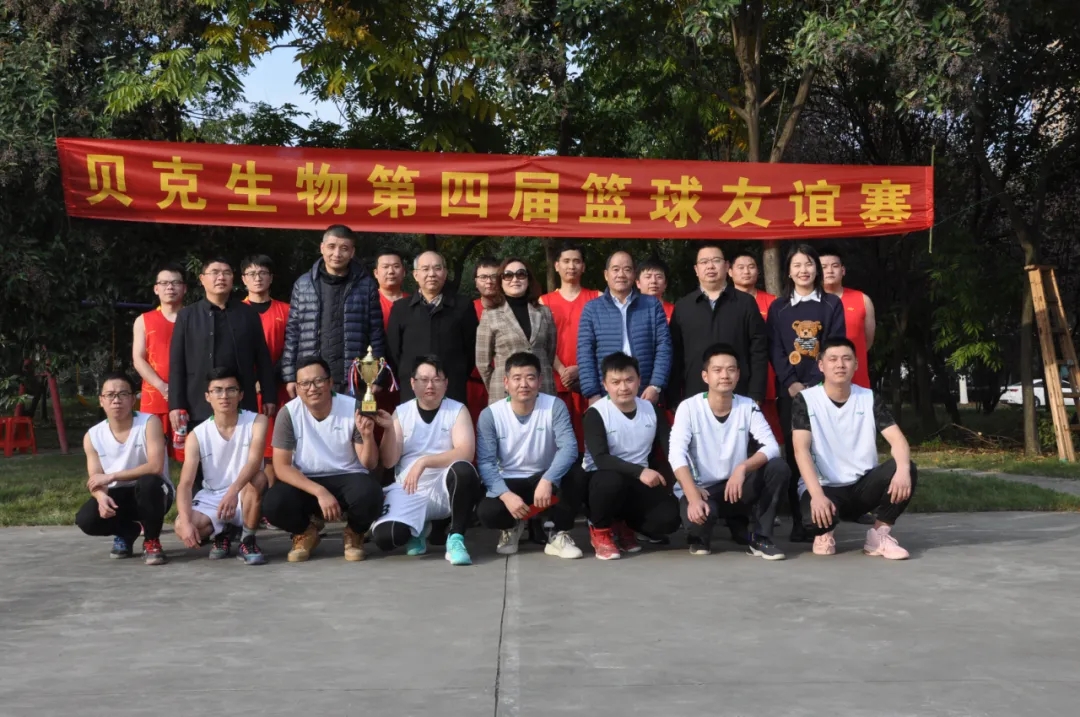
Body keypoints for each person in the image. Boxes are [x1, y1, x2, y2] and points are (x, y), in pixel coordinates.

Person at [792, 338, 917, 559]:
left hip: (862, 486)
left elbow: (898, 440)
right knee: (814, 521)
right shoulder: (805, 400)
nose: (840, 365)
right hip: (825, 486)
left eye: (846, 359)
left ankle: (879, 535)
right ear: (821, 365)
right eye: (832, 359)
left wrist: (903, 470)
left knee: (906, 468)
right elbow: (800, 450)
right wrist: (817, 496)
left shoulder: (869, 398)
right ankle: (824, 533)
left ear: (856, 364)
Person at [669, 344, 788, 559]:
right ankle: (700, 535)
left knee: (778, 467)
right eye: (717, 370)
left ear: (738, 374)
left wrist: (742, 467)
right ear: (705, 376)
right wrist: (693, 495)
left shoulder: (748, 406)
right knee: (699, 527)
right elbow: (676, 454)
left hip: (736, 487)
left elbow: (771, 447)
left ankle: (761, 538)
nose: (725, 375)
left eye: (731, 369)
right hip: (703, 489)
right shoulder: (689, 407)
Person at [262, 356, 383, 562]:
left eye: (318, 381)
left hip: (347, 475)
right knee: (273, 503)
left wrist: (368, 436)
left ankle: (354, 533)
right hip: (307, 480)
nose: (312, 388)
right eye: (305, 383)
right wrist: (320, 491)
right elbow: (281, 467)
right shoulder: (288, 413)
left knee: (371, 494)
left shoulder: (353, 407)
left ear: (330, 382)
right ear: (297, 388)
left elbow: (369, 463)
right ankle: (306, 532)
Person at [766, 243, 846, 542]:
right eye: (797, 265)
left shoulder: (831, 304)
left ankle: (826, 517)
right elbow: (776, 349)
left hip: (823, 389)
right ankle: (800, 521)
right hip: (790, 392)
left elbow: (834, 346)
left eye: (809, 264)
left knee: (824, 450)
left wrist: (816, 383)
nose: (804, 270)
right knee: (794, 453)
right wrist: (791, 383)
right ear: (788, 271)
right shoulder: (779, 308)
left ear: (817, 269)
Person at [371, 355, 483, 566]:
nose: (430, 385)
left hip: (444, 487)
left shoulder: (457, 410)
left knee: (464, 470)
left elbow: (466, 452)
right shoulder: (402, 412)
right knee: (387, 538)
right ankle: (418, 528)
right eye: (423, 379)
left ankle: (456, 538)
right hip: (410, 488)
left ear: (446, 383)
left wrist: (424, 462)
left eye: (436, 379)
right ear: (413, 383)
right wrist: (388, 430)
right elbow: (388, 461)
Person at [476, 352, 584, 559]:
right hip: (510, 480)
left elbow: (569, 447)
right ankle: (512, 526)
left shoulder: (554, 406)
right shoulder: (491, 415)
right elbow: (486, 463)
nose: (523, 384)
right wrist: (505, 495)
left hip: (544, 479)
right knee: (488, 512)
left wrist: (548, 479)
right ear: (506, 382)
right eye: (517, 378)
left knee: (577, 474)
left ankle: (558, 533)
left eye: (530, 377)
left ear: (540, 381)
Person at [581, 352, 680, 560]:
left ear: (639, 381)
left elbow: (672, 449)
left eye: (629, 380)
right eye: (615, 382)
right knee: (611, 481)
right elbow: (600, 458)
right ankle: (600, 530)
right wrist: (640, 471)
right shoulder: (596, 413)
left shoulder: (652, 410)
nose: (623, 387)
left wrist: (690, 484)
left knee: (669, 519)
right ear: (605, 385)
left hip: (638, 480)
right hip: (602, 478)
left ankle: (623, 525)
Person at [75, 372, 174, 565]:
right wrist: (100, 497)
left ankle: (152, 540)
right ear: (101, 401)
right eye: (110, 395)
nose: (116, 400)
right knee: (86, 519)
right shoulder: (92, 436)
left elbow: (155, 467)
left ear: (133, 399)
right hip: (118, 496)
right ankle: (127, 531)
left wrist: (111, 476)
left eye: (123, 394)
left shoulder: (149, 423)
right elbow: (95, 478)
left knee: (149, 482)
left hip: (154, 493)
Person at [168, 256, 277, 431]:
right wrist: (176, 405)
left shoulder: (248, 314)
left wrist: (269, 396)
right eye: (215, 272)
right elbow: (177, 363)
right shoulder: (187, 316)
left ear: (233, 279)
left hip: (242, 402)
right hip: (198, 403)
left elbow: (262, 358)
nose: (221, 277)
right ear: (202, 279)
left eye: (226, 273)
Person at [173, 368, 269, 565]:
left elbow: (254, 462)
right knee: (182, 525)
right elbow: (185, 484)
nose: (224, 396)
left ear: (241, 395)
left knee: (259, 478)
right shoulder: (197, 435)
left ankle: (247, 540)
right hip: (213, 495)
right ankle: (223, 532)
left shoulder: (257, 421)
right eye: (217, 390)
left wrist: (233, 492)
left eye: (231, 390)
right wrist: (186, 522)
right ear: (208, 396)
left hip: (243, 491)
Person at [281, 224, 385, 396]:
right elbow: (293, 333)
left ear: (352, 252)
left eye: (344, 248)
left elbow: (376, 334)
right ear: (322, 248)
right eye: (331, 247)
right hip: (312, 380)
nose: (337, 254)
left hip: (353, 379)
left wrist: (377, 376)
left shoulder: (366, 286)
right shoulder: (304, 284)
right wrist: (290, 376)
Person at [669, 243, 768, 406]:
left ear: (727, 266)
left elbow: (759, 351)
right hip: (695, 396)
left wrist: (756, 393)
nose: (710, 266)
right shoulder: (683, 306)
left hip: (740, 395)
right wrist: (674, 398)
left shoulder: (746, 303)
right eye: (704, 262)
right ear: (696, 269)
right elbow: (675, 355)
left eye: (716, 260)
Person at [577, 250, 671, 407]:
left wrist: (656, 385)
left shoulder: (652, 305)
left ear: (634, 275)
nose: (621, 274)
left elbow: (664, 346)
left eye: (627, 269)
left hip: (645, 391)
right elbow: (585, 353)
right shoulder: (592, 309)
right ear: (606, 275)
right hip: (606, 393)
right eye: (615, 269)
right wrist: (592, 393)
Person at [387, 250, 478, 404]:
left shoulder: (463, 306)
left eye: (437, 268)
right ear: (415, 275)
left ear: (445, 273)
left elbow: (472, 348)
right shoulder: (400, 309)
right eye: (425, 269)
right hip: (412, 388)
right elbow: (393, 351)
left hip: (452, 387)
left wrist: (457, 372)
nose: (431, 274)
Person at [539, 243, 601, 448]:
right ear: (556, 266)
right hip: (555, 382)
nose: (571, 266)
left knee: (590, 441)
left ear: (583, 266)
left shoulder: (597, 298)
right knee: (557, 442)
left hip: (589, 381)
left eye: (576, 261)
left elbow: (604, 341)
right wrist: (561, 369)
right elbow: (541, 341)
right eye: (566, 261)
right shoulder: (543, 302)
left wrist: (581, 368)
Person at [477, 257, 557, 403]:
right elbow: (483, 362)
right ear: (500, 281)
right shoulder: (490, 315)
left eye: (521, 274)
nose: (515, 279)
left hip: (542, 389)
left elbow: (549, 353)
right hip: (504, 393)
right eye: (508, 275)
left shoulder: (544, 312)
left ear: (528, 279)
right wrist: (498, 385)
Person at [241, 254, 290, 483]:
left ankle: (274, 498)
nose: (257, 278)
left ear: (271, 278)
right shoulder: (235, 311)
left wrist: (268, 378)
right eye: (251, 273)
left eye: (262, 273)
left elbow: (292, 348)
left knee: (275, 449)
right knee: (247, 447)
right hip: (246, 389)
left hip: (278, 388)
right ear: (243, 279)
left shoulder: (286, 310)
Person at [132, 263, 186, 454]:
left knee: (191, 454)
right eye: (164, 283)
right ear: (156, 289)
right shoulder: (144, 320)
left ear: (184, 288)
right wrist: (162, 387)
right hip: (154, 396)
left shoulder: (194, 318)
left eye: (175, 283)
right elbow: (138, 359)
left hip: (188, 396)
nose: (169, 287)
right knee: (154, 455)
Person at [728, 250, 781, 440]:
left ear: (758, 271)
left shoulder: (772, 302)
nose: (746, 271)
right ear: (730, 271)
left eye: (751, 267)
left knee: (770, 431)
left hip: (767, 373)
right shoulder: (724, 302)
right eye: (740, 267)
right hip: (734, 372)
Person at [819, 246, 876, 389]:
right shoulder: (810, 302)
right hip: (820, 381)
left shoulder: (862, 300)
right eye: (824, 267)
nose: (830, 271)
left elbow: (867, 341)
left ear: (843, 270)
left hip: (857, 379)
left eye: (835, 266)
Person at [467, 257, 501, 423]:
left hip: (504, 383)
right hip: (473, 384)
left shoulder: (511, 309)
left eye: (494, 276)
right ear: (475, 281)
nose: (489, 281)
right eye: (483, 277)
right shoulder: (467, 310)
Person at [374, 248, 410, 332]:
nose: (391, 271)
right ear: (376, 273)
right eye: (385, 267)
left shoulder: (413, 302)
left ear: (403, 272)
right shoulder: (369, 301)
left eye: (396, 266)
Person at [636, 257, 674, 322]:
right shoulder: (629, 310)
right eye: (648, 277)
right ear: (638, 283)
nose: (653, 281)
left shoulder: (675, 311)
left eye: (659, 277)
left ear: (665, 284)